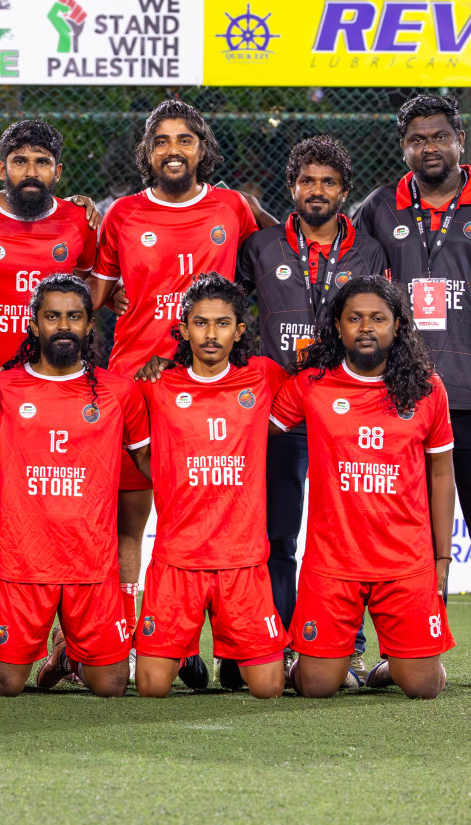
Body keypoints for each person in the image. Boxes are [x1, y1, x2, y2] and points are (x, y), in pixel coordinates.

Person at [353, 95, 471, 688]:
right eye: (417, 139)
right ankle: (380, 650)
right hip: (400, 400)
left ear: (460, 139)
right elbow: (341, 271)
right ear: (403, 146)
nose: (428, 147)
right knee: (390, 528)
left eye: (439, 137)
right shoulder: (380, 207)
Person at [89, 98, 269, 686]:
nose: (173, 149)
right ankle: (136, 639)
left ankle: (226, 647)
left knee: (211, 518)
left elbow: (282, 242)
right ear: (147, 150)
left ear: (201, 148)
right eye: (162, 140)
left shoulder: (233, 206)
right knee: (130, 522)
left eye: (184, 139)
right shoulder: (121, 215)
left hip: (212, 385)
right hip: (137, 382)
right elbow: (96, 294)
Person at [235, 135, 387, 683]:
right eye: (306, 181)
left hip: (346, 412)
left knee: (349, 534)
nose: (316, 190)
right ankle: (279, 643)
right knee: (278, 534)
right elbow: (228, 309)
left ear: (344, 191)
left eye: (327, 182)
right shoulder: (262, 246)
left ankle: (350, 646)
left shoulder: (370, 250)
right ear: (292, 187)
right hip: (279, 413)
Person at [271, 277, 456, 700]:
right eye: (354, 318)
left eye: (378, 318)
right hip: (332, 559)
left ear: (397, 326)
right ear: (338, 326)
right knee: (316, 687)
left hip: (404, 559)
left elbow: (442, 474)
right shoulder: (311, 385)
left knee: (424, 687)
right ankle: (320, 660)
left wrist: (441, 557)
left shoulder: (427, 388)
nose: (366, 327)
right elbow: (253, 427)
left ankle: (395, 664)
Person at [0, 274, 151, 698]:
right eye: (52, 316)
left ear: (90, 325)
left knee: (112, 686)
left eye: (74, 316)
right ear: (34, 323)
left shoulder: (119, 392)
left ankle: (68, 654)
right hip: (23, 567)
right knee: (2, 685)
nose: (63, 325)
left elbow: (152, 465)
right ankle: (62, 649)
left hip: (92, 568)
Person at [134, 274, 287, 699]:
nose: (211, 334)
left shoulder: (263, 379)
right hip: (176, 559)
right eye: (200, 323)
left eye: (223, 324)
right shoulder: (157, 383)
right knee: (150, 689)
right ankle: (184, 652)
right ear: (183, 329)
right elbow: (138, 449)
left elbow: (310, 396)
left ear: (239, 331)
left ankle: (233, 650)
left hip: (242, 561)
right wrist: (169, 475)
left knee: (270, 689)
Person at [0, 119, 98, 371]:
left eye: (42, 162)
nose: (31, 172)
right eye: (20, 161)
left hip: (54, 377)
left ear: (58, 171)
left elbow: (90, 288)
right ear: (2, 169)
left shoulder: (79, 220)